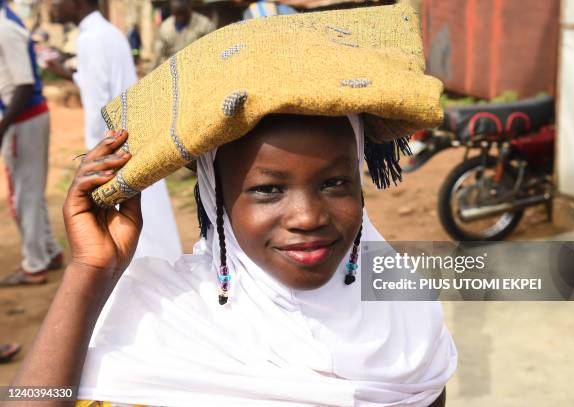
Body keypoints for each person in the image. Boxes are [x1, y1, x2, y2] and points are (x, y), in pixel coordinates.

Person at [9, 4, 456, 406]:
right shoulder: (160, 318)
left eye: (335, 182)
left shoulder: (405, 313)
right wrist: (89, 272)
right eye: (268, 189)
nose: (308, 217)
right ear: (215, 197)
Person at [46, 0, 182, 263]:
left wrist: (95, 154)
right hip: (132, 135)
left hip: (112, 145)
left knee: (126, 226)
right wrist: (65, 73)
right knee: (150, 214)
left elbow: (98, 103)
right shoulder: (109, 33)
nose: (52, 6)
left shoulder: (90, 39)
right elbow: (99, 84)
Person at [0, 0, 63, 286]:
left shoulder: (4, 28)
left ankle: (33, 265)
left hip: (22, 119)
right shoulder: (8, 22)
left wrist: (3, 126)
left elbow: (24, 84)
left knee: (22, 194)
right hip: (27, 116)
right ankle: (49, 252)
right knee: (31, 191)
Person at [152, 0, 215, 69]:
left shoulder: (204, 25)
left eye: (183, 12)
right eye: (178, 12)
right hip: (173, 71)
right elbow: (158, 56)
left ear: (190, 6)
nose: (180, 16)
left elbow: (214, 51)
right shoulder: (165, 28)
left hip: (198, 68)